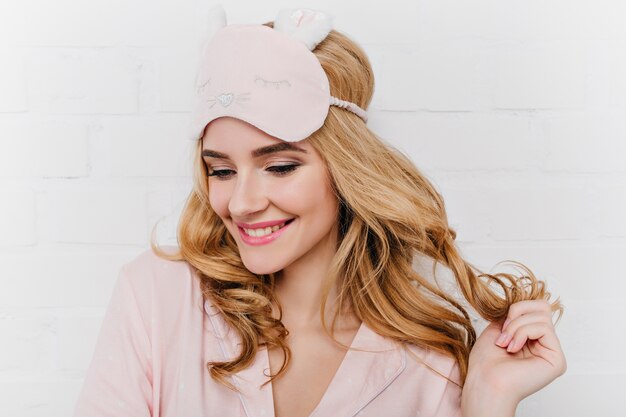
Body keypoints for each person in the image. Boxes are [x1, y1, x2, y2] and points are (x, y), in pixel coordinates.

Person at [72, 5, 566, 417]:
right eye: (221, 171)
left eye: (280, 166)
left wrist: (487, 400)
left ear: (345, 168)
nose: (241, 203)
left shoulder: (430, 364)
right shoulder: (156, 299)